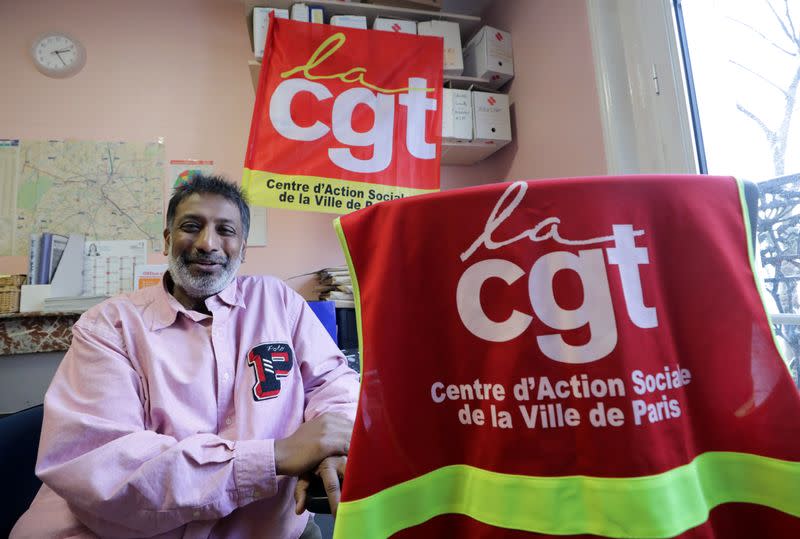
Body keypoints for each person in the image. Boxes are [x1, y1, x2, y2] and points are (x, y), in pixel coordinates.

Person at [12, 174, 359, 538]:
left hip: (272, 526)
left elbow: (333, 384)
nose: (208, 243)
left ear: (242, 248)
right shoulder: (109, 326)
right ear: (167, 240)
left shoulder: (278, 302)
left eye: (226, 230)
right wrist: (275, 456)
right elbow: (106, 467)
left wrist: (333, 447)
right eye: (191, 226)